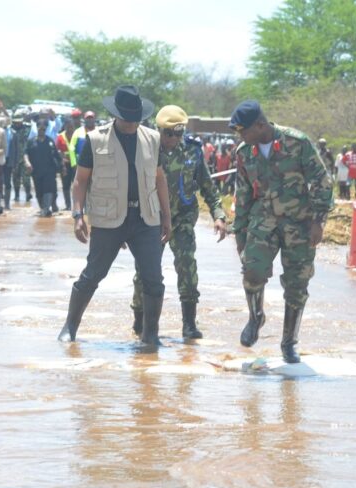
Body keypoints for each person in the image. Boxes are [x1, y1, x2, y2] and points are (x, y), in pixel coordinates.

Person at [58, 85, 172, 350]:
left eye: (135, 118)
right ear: (116, 115)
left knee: (153, 278)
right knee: (93, 274)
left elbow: (159, 179)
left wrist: (166, 216)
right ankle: (70, 327)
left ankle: (150, 335)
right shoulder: (95, 140)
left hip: (145, 218)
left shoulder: (152, 139)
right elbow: (80, 180)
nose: (131, 123)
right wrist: (78, 215)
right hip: (108, 218)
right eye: (126, 118)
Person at [230, 100, 332, 363]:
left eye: (243, 131)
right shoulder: (245, 152)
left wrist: (319, 221)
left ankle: (289, 342)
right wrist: (240, 233)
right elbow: (242, 193)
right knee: (252, 271)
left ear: (260, 125)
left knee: (297, 283)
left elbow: (321, 181)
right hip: (263, 221)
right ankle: (256, 317)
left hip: (299, 223)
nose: (241, 137)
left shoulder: (297, 142)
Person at [130, 105, 227, 339]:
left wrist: (218, 215)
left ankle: (189, 324)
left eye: (179, 133)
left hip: (182, 219)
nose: (173, 138)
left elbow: (207, 187)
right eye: (169, 133)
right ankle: (140, 321)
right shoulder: (145, 150)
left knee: (187, 266)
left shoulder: (193, 151)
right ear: (159, 130)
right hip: (151, 220)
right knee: (145, 272)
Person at [25, 119, 61, 217]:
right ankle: (43, 209)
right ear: (37, 129)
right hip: (36, 171)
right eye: (40, 129)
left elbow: (57, 156)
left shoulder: (50, 141)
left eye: (43, 129)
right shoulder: (31, 141)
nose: (42, 131)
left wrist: (62, 168)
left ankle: (46, 209)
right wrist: (27, 163)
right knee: (39, 192)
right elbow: (25, 153)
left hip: (49, 171)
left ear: (46, 129)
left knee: (48, 190)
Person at [8, 109, 32, 203]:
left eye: (19, 122)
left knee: (26, 178)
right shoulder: (10, 129)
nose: (17, 124)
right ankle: (17, 195)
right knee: (15, 178)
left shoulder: (27, 128)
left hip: (25, 156)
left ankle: (28, 194)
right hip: (15, 157)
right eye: (16, 122)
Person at [55, 118, 76, 211]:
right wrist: (62, 163)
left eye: (71, 127)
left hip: (76, 165)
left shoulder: (77, 135)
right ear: (65, 127)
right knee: (66, 185)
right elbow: (58, 151)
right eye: (68, 127)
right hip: (65, 165)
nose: (70, 129)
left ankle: (77, 205)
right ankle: (68, 205)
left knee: (76, 185)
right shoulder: (60, 137)